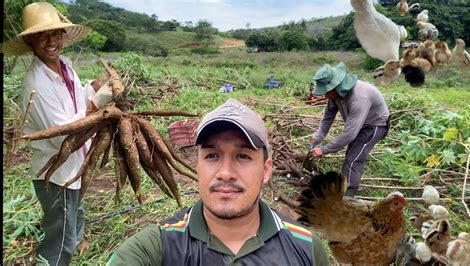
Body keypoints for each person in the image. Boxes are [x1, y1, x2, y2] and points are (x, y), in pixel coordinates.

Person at [107, 99, 330, 265]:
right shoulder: (158, 246)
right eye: (212, 156)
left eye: (242, 156)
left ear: (265, 170)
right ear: (198, 166)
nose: (225, 173)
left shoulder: (306, 248)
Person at [1, 2, 113, 265]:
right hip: (56, 173)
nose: (51, 41)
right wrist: (96, 104)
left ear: (63, 35)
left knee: (76, 216)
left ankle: (74, 248)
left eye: (56, 33)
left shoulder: (64, 66)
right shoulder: (36, 84)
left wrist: (92, 88)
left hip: (75, 168)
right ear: (30, 40)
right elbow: (63, 136)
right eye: (42, 35)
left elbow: (75, 102)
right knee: (60, 239)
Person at [309, 62, 390, 197]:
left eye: (326, 92)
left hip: (375, 125)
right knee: (351, 155)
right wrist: (317, 137)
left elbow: (349, 135)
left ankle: (348, 195)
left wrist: (323, 150)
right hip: (361, 124)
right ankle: (344, 185)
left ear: (335, 87)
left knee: (353, 159)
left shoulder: (359, 97)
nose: (325, 96)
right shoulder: (335, 95)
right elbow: (327, 118)